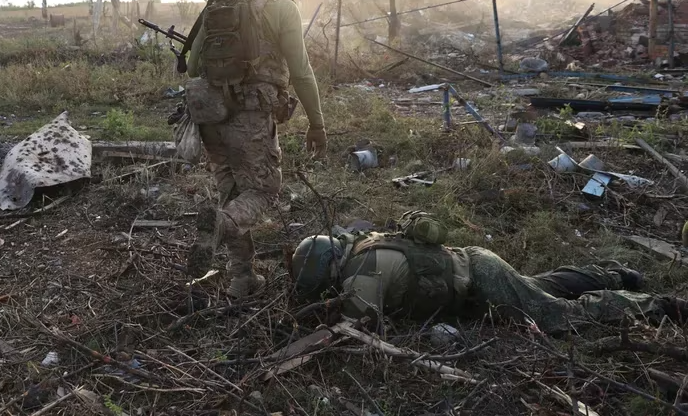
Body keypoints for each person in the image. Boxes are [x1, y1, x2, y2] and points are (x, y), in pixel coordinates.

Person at [181, 0, 326, 298]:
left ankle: (242, 278)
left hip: (211, 118)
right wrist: (317, 123)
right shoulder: (280, 7)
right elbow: (302, 72)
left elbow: (193, 66)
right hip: (251, 116)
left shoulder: (216, 5)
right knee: (263, 189)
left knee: (232, 190)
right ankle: (219, 225)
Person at [291, 212, 687, 334]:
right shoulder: (364, 243)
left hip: (479, 281)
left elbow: (359, 326)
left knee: (553, 316)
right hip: (474, 269)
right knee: (538, 287)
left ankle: (661, 304)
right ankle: (613, 274)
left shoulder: (361, 271)